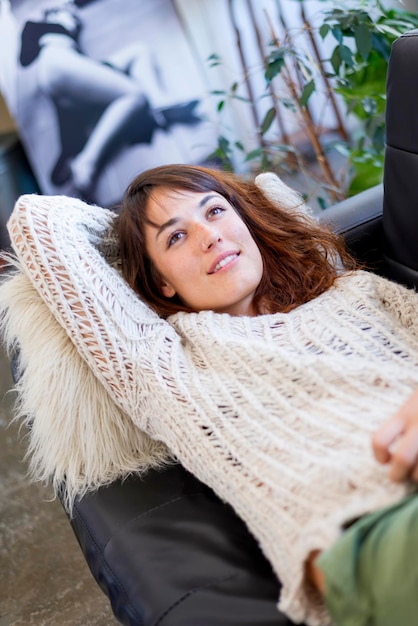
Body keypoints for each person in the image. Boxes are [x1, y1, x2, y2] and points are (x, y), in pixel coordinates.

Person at [4, 164, 418, 626]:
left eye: (216, 211)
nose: (209, 236)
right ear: (162, 282)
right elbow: (36, 222)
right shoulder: (162, 361)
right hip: (374, 529)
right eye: (175, 238)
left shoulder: (355, 292)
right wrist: (132, 227)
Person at [19, 5, 201, 200]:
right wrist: (44, 21)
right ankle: (86, 162)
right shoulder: (39, 26)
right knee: (135, 95)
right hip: (58, 61)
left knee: (138, 52)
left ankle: (160, 104)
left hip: (77, 66)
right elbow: (24, 59)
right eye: (66, 11)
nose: (72, 15)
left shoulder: (73, 28)